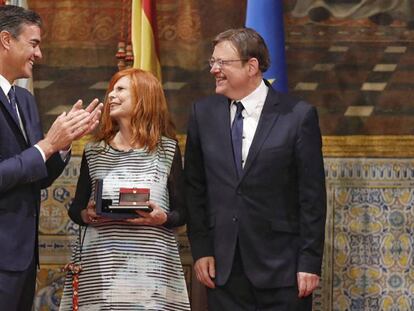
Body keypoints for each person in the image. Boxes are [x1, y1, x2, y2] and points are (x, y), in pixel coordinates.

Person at [184, 28, 327, 310]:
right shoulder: (203, 113)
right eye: (212, 62)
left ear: (252, 66)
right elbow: (195, 187)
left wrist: (309, 261)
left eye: (222, 63)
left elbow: (312, 196)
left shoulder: (297, 116)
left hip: (282, 270)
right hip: (223, 271)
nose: (214, 69)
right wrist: (201, 250)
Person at [59, 68, 190, 310]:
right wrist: (86, 215)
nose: (111, 96)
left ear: (144, 96)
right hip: (100, 272)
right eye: (111, 89)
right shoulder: (94, 151)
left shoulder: (167, 150)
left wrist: (162, 218)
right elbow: (76, 209)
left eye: (120, 90)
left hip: (151, 274)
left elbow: (182, 211)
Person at [0, 5, 102, 311]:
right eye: (33, 44)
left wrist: (61, 146)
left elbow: (37, 176)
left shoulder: (26, 100)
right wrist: (46, 146)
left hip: (24, 258)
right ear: (6, 40)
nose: (39, 54)